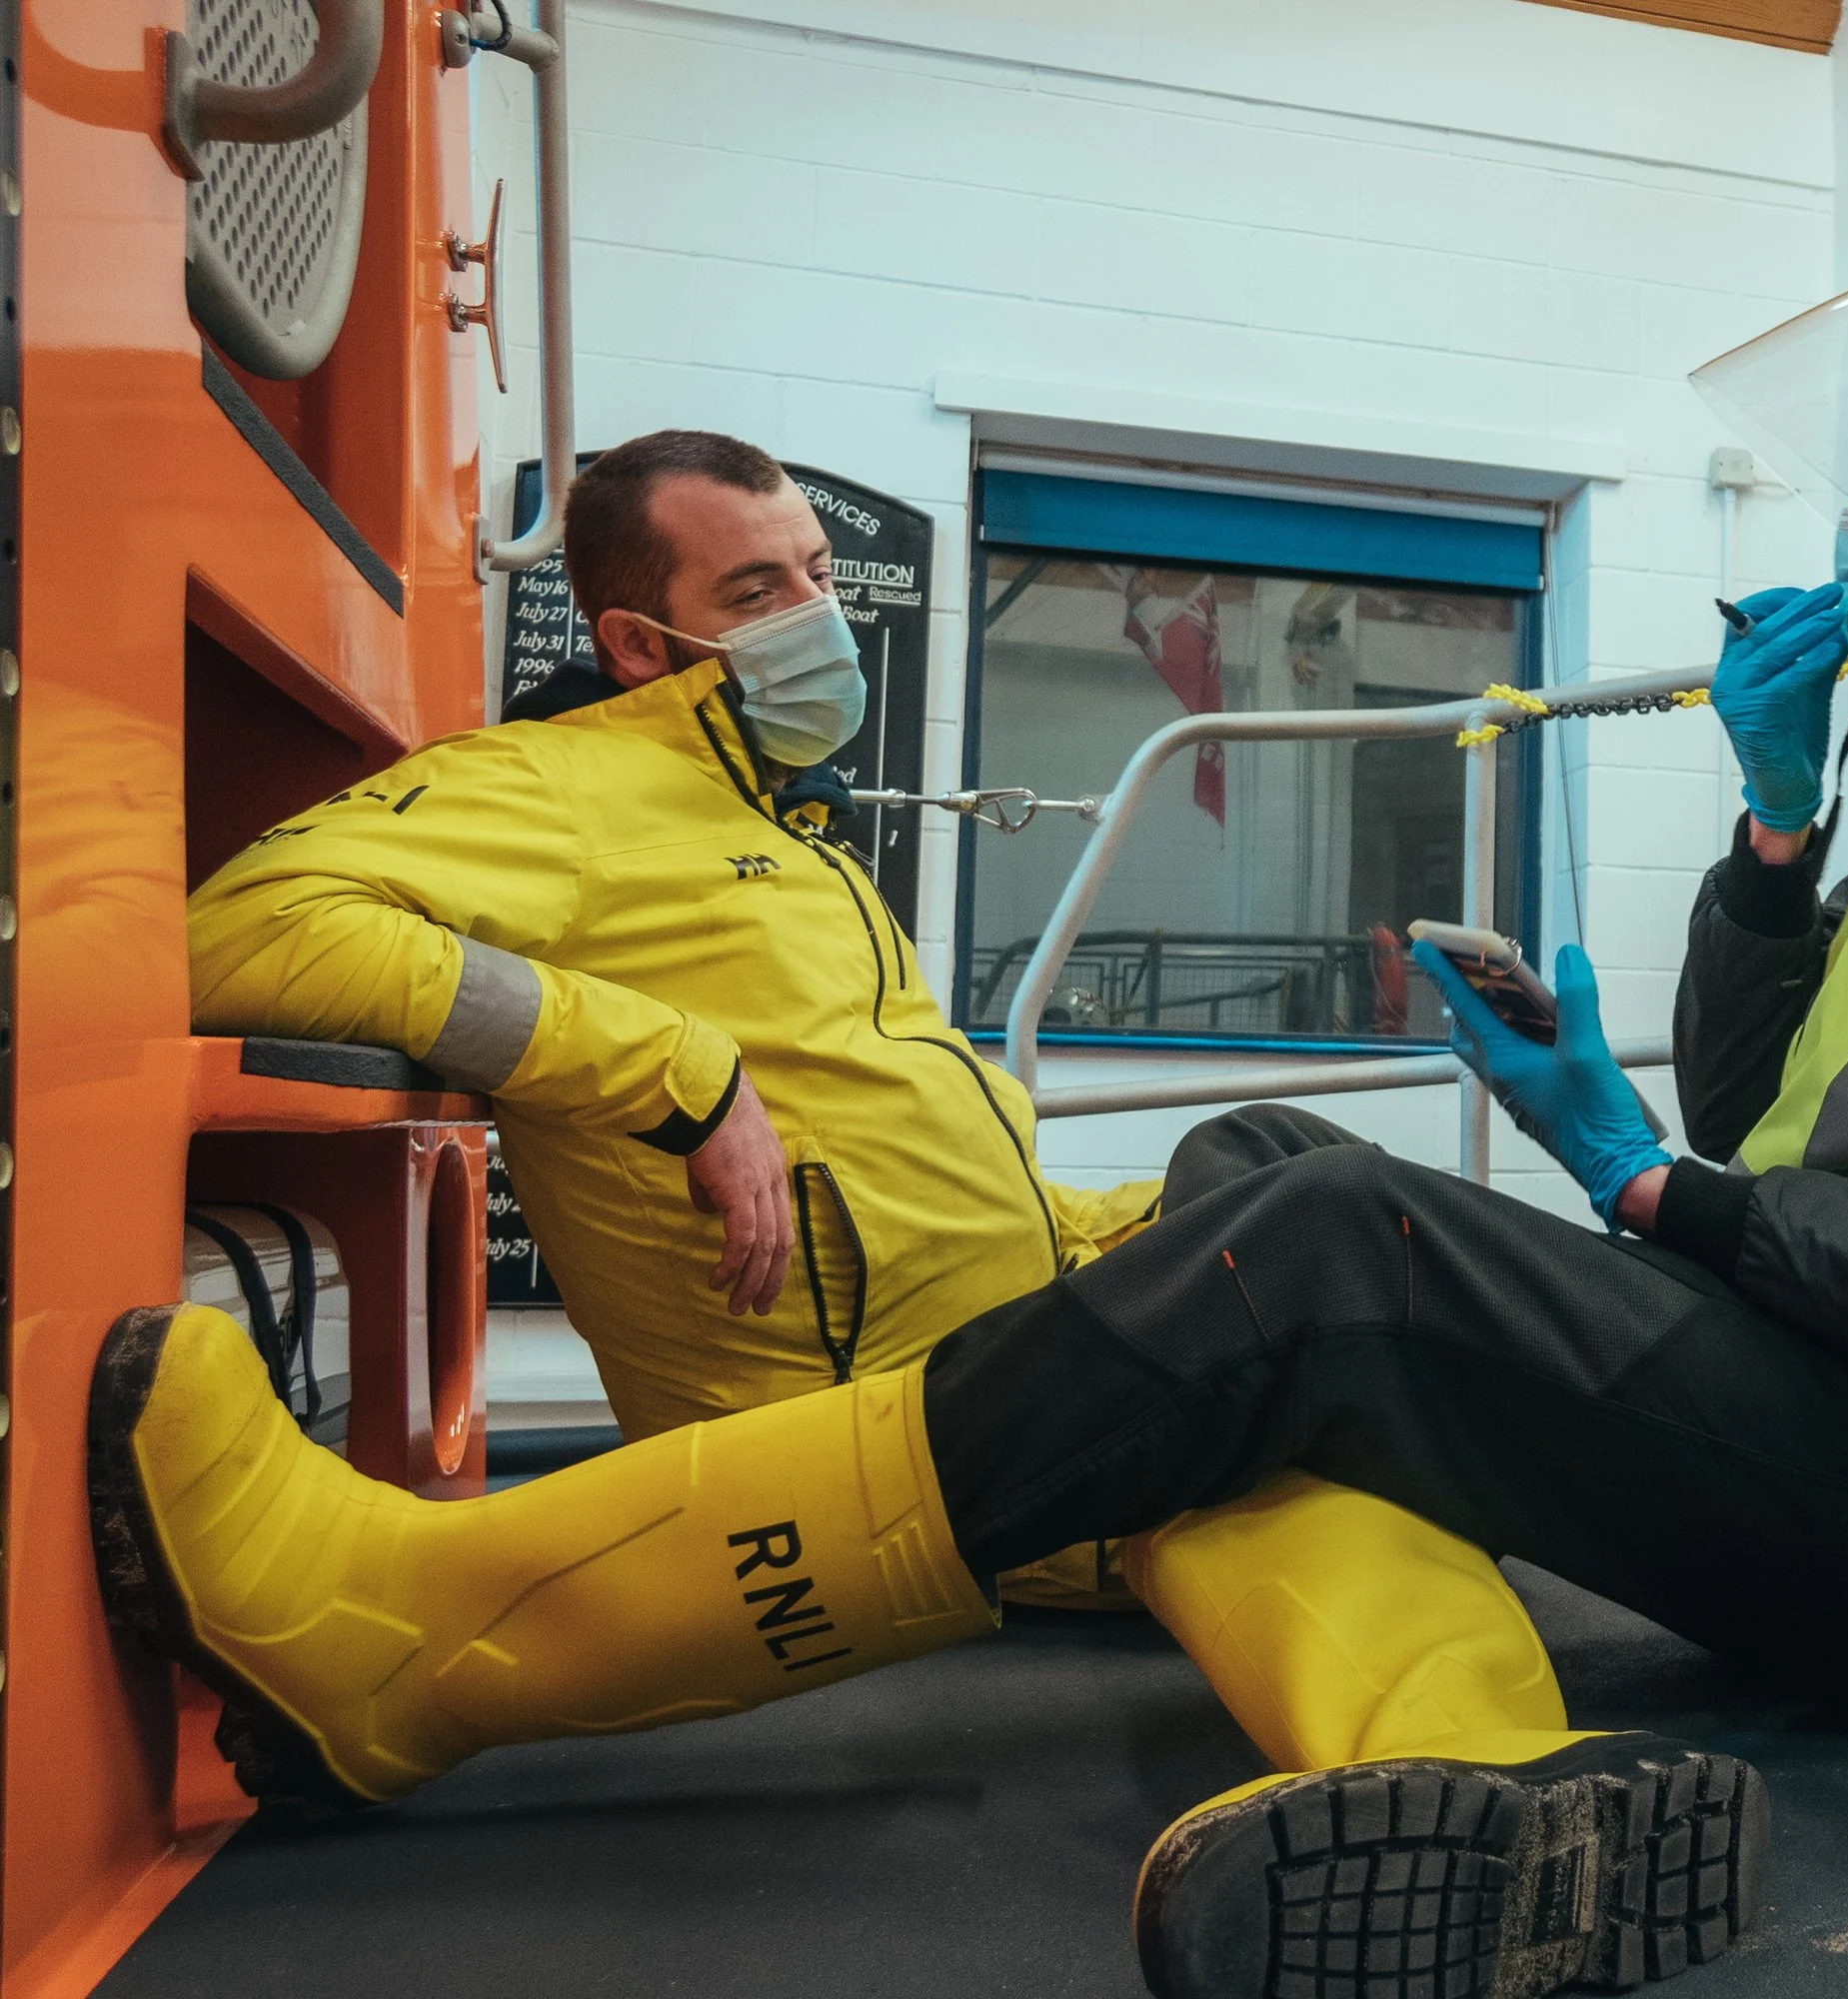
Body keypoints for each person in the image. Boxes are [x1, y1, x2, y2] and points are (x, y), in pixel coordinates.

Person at [99, 263, 1848, 1997]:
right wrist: (1776, 846)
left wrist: (1637, 1189)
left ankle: (425, 1651)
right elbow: (1792, 1131)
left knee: (1334, 1255)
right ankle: (1481, 1788)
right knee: (1267, 1179)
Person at [156, 431, 1741, 1995]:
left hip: (1016, 1305)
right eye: (760, 585)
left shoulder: (777, 824)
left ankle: (1497, 1782)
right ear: (642, 640)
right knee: (1261, 1418)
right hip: (860, 1414)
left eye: (819, 574)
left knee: (1296, 1205)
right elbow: (241, 932)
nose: (817, 613)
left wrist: (1115, 1225)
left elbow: (902, 1145)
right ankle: (1486, 1761)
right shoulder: (554, 790)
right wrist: (660, 1064)